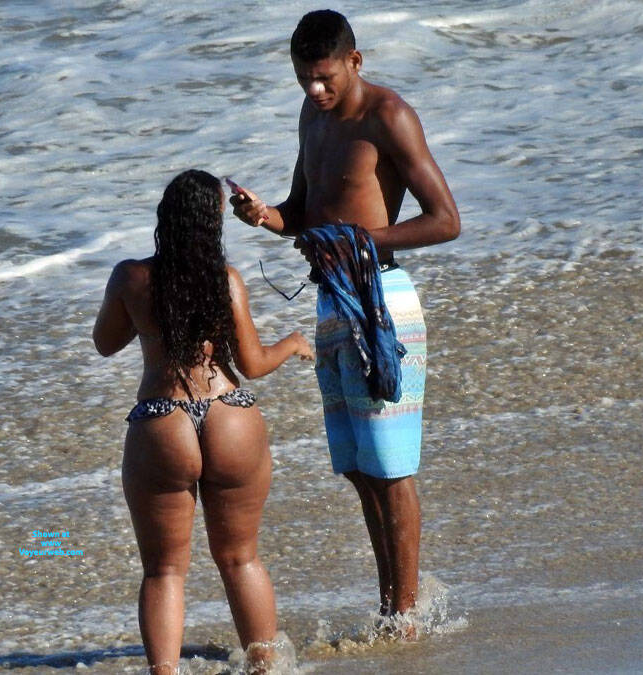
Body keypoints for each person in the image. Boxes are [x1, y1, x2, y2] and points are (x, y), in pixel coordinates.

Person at [230, 10, 460, 624]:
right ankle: (391, 606)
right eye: (303, 77)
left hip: (381, 298)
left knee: (391, 467)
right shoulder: (312, 117)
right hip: (332, 299)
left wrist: (361, 241)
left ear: (354, 62)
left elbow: (446, 220)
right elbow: (301, 212)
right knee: (359, 468)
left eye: (325, 77)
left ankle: (403, 620)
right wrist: (263, 216)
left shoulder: (390, 115)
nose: (314, 89)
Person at [94, 169, 314, 674]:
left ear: (165, 218)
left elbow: (105, 344)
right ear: (214, 222)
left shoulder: (130, 277)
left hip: (163, 418)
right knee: (241, 558)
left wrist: (148, 319)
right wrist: (293, 343)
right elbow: (252, 363)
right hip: (228, 415)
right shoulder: (226, 279)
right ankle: (265, 667)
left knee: (164, 570)